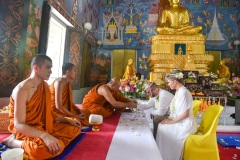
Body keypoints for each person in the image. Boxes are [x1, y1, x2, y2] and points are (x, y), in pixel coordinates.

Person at [2, 55, 81, 159]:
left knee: (75, 128)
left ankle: (54, 142)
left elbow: (49, 113)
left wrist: (68, 120)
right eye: (48, 67)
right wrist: (44, 135)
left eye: (51, 68)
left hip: (44, 126)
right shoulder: (22, 90)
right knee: (42, 150)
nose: (51, 71)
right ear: (36, 67)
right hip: (27, 129)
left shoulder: (44, 86)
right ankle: (12, 142)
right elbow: (19, 125)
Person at [156, 68, 197, 160]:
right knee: (161, 125)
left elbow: (186, 114)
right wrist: (171, 120)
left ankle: (169, 156)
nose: (168, 84)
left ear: (175, 81)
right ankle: (163, 155)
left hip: (186, 124)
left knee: (163, 127)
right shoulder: (179, 91)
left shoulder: (184, 92)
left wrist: (171, 122)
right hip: (181, 121)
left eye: (169, 82)